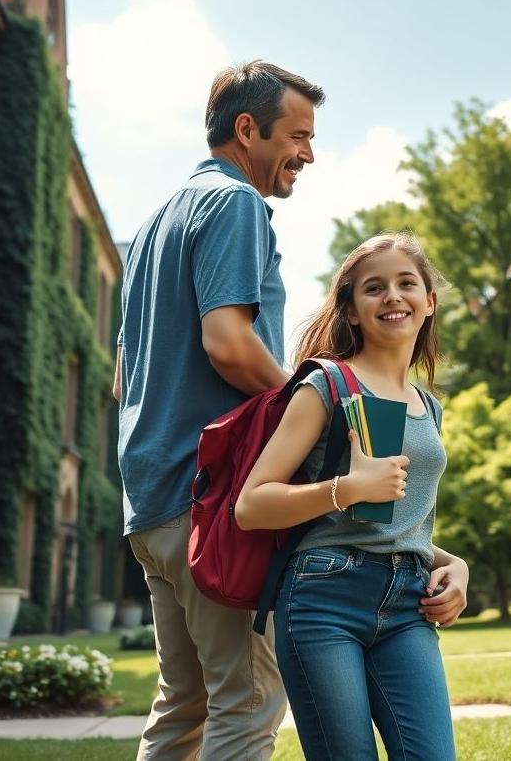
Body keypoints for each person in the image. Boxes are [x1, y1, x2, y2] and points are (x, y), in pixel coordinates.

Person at [113, 61, 325, 761]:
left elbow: (122, 379)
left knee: (184, 704)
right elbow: (230, 344)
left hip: (151, 505)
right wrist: (313, 404)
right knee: (248, 698)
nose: (308, 154)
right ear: (246, 130)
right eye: (297, 135)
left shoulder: (150, 229)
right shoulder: (234, 205)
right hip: (209, 501)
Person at [235, 232, 468, 761]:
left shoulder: (427, 408)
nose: (393, 296)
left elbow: (401, 526)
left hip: (408, 603)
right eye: (374, 288)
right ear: (352, 310)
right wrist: (348, 488)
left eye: (407, 284)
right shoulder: (327, 385)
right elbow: (252, 504)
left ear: (429, 302)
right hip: (324, 599)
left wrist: (456, 566)